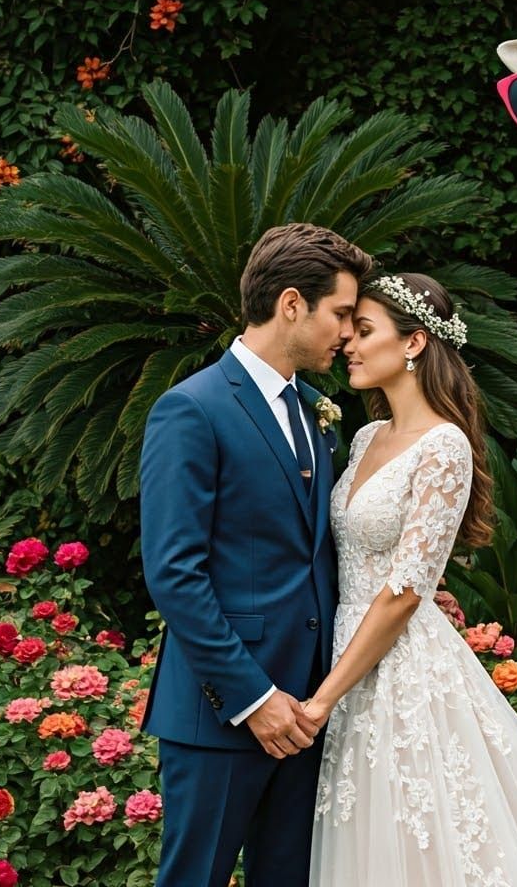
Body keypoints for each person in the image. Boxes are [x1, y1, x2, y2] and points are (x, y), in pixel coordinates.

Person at [303, 273, 517, 886]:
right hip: (344, 652)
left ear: (412, 344)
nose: (348, 345)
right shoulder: (363, 437)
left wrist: (325, 697)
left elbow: (406, 590)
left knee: (428, 838)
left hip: (399, 664)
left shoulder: (445, 447)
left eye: (364, 331)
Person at [139, 223, 373, 887]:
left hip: (306, 715)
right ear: (292, 304)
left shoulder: (315, 411)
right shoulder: (190, 410)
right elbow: (173, 573)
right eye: (340, 315)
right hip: (222, 716)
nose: (348, 334)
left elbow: (316, 550)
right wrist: (251, 696)